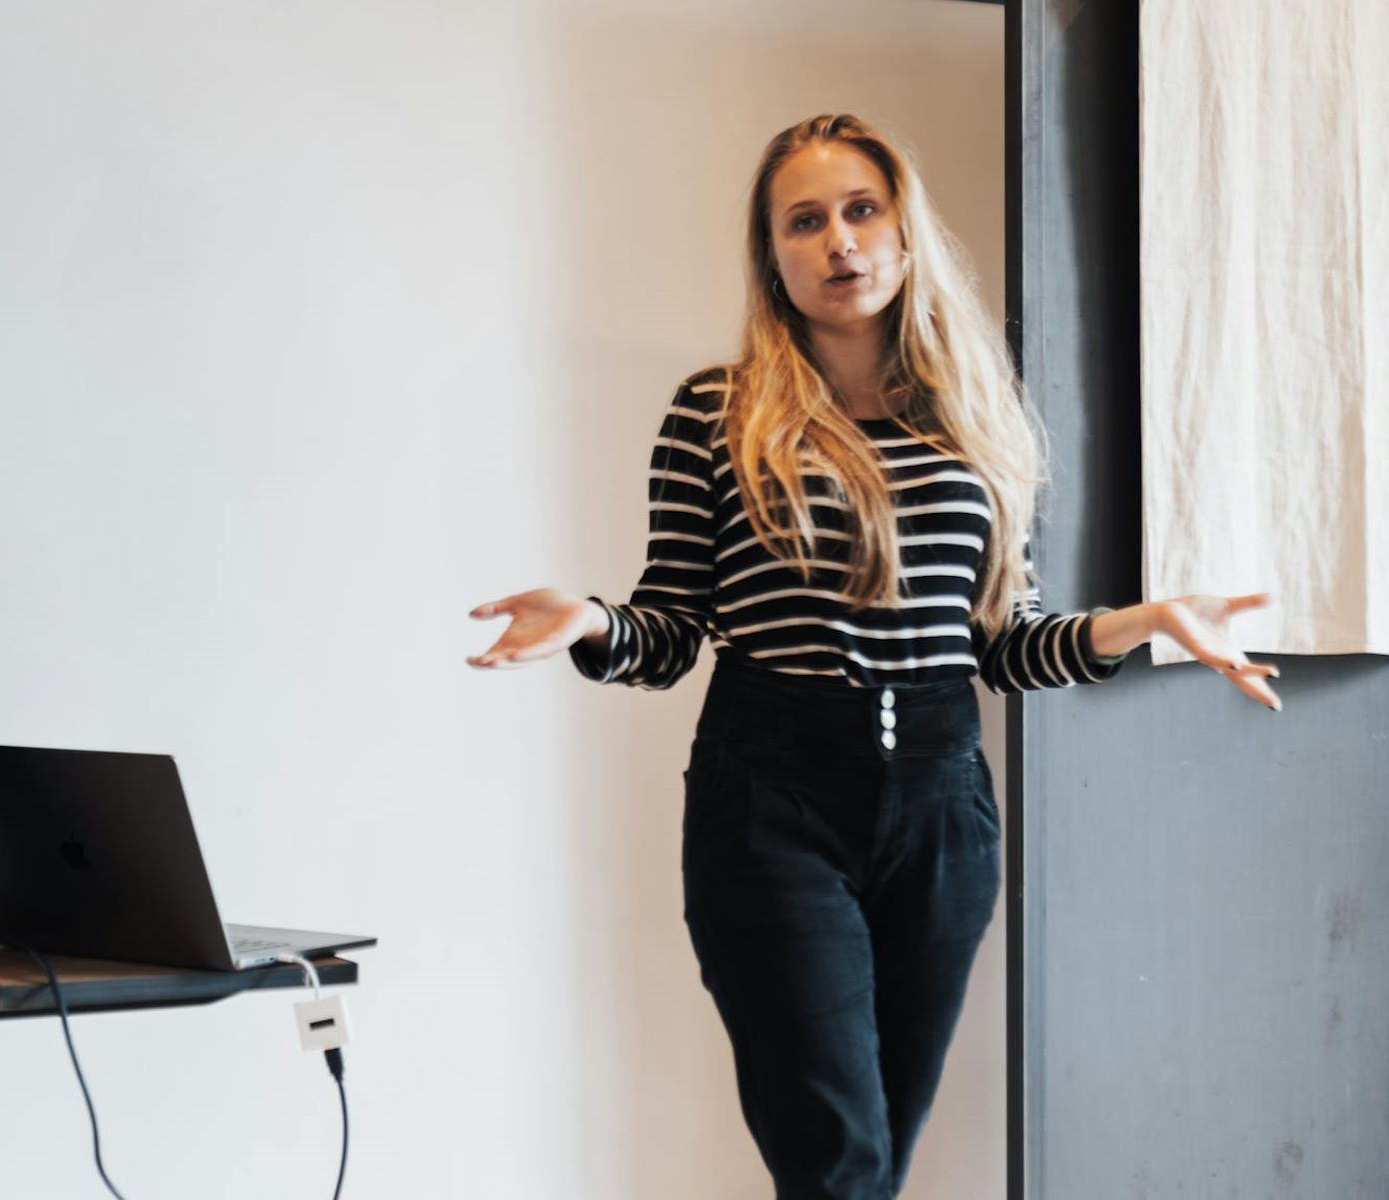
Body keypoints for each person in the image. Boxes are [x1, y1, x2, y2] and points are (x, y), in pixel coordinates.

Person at [465, 113, 1280, 1200]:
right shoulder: (717, 413)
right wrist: (594, 625)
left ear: (905, 233)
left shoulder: (978, 421)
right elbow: (670, 632)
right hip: (770, 800)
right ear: (772, 257)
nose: (839, 241)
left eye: (861, 210)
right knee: (837, 1160)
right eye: (804, 222)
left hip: (942, 805)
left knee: (872, 1163)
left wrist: (1148, 622)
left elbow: (1005, 647)